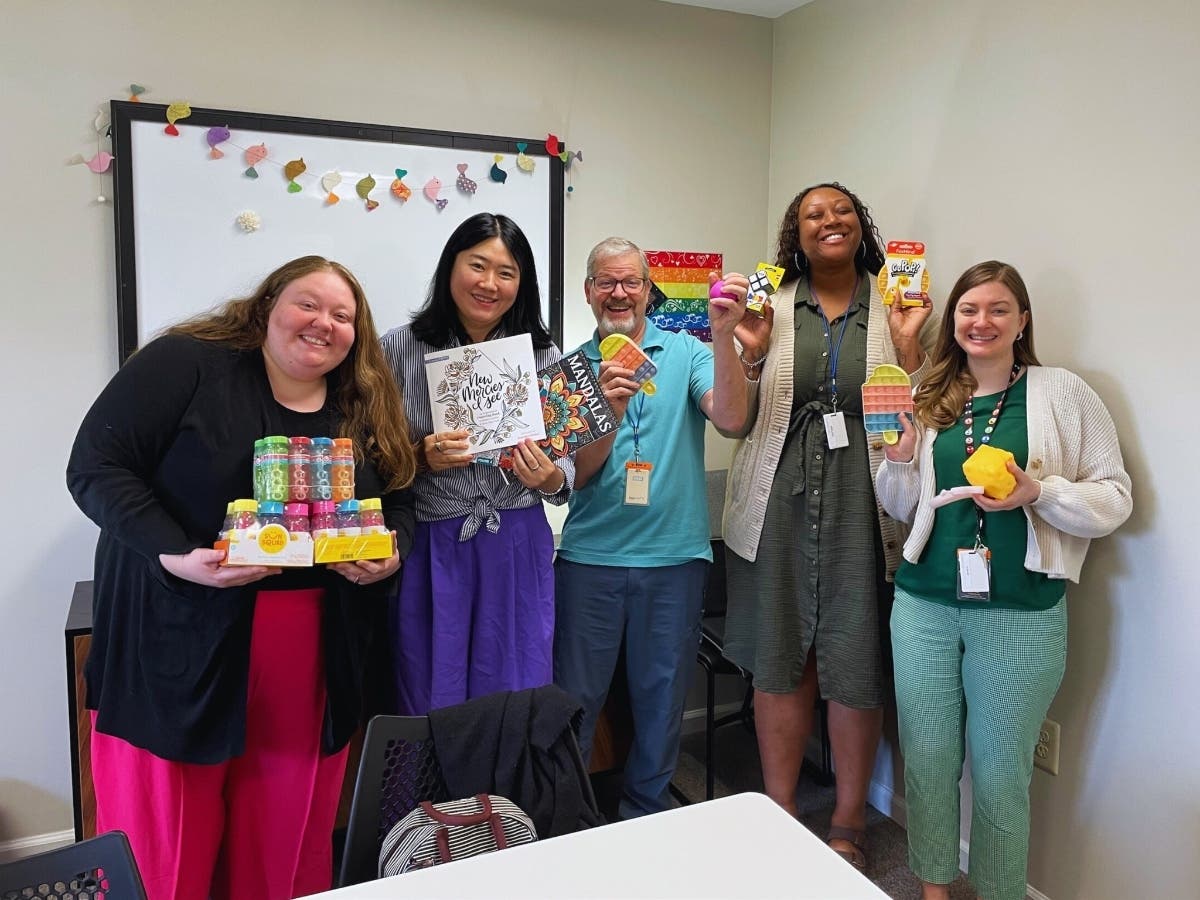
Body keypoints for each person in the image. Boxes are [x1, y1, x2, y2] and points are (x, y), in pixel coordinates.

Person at [66, 256, 418, 900]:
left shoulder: (362, 394)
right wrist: (175, 554)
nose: (324, 324)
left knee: (281, 837)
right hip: (173, 637)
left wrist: (392, 550)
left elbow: (400, 495)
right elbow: (96, 466)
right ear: (266, 305)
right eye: (308, 304)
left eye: (343, 316)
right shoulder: (187, 363)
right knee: (167, 839)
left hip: (309, 651)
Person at [876, 260, 1131, 900]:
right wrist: (901, 462)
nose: (980, 321)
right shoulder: (927, 394)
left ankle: (998, 892)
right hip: (924, 601)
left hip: (1020, 609)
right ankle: (933, 888)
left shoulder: (1061, 393)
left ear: (1022, 321)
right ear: (953, 320)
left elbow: (1114, 498)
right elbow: (904, 506)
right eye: (968, 309)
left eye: (997, 309)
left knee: (1001, 770)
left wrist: (1036, 493)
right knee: (929, 757)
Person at [720, 182, 938, 870]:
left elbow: (920, 415)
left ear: (861, 226)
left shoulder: (897, 305)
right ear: (797, 233)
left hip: (864, 503)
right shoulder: (772, 306)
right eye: (813, 214)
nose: (829, 221)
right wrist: (745, 349)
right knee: (782, 663)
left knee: (855, 661)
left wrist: (909, 348)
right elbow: (738, 416)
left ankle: (849, 816)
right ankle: (777, 809)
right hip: (777, 499)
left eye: (841, 210)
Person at [553, 236, 767, 819]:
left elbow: (731, 419)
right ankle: (567, 824)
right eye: (606, 282)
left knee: (660, 704)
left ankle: (643, 822)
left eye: (631, 282)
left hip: (674, 561)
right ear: (589, 291)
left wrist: (724, 335)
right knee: (573, 705)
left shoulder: (688, 352)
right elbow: (575, 475)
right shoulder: (570, 368)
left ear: (649, 289)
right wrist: (607, 410)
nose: (619, 293)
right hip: (590, 560)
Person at [380, 212, 569, 715]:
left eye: (506, 273)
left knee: (515, 683)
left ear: (521, 284)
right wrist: (419, 457)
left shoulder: (543, 354)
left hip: (517, 540)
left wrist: (549, 476)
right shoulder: (397, 348)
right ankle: (430, 797)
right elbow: (367, 458)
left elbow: (564, 466)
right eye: (477, 265)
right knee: (429, 684)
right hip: (432, 539)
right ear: (451, 268)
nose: (490, 283)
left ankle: (504, 795)